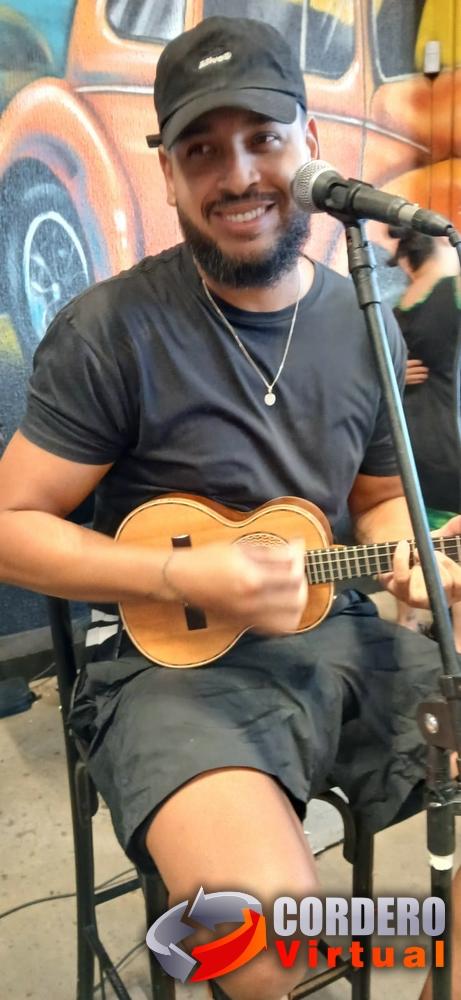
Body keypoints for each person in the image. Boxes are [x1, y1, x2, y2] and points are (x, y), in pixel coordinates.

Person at [0, 17, 460, 1000]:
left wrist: (407, 559)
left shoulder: (362, 320)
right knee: (265, 943)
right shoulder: (109, 330)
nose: (238, 172)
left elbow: (380, 504)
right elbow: (9, 527)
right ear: (167, 175)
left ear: (311, 146)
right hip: (171, 672)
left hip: (341, 637)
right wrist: (177, 571)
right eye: (202, 150)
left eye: (263, 137)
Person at [388, 226, 461, 651]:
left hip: (400, 442)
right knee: (454, 538)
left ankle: (407, 624)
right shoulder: (453, 290)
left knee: (405, 532)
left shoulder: (396, 308)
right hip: (444, 439)